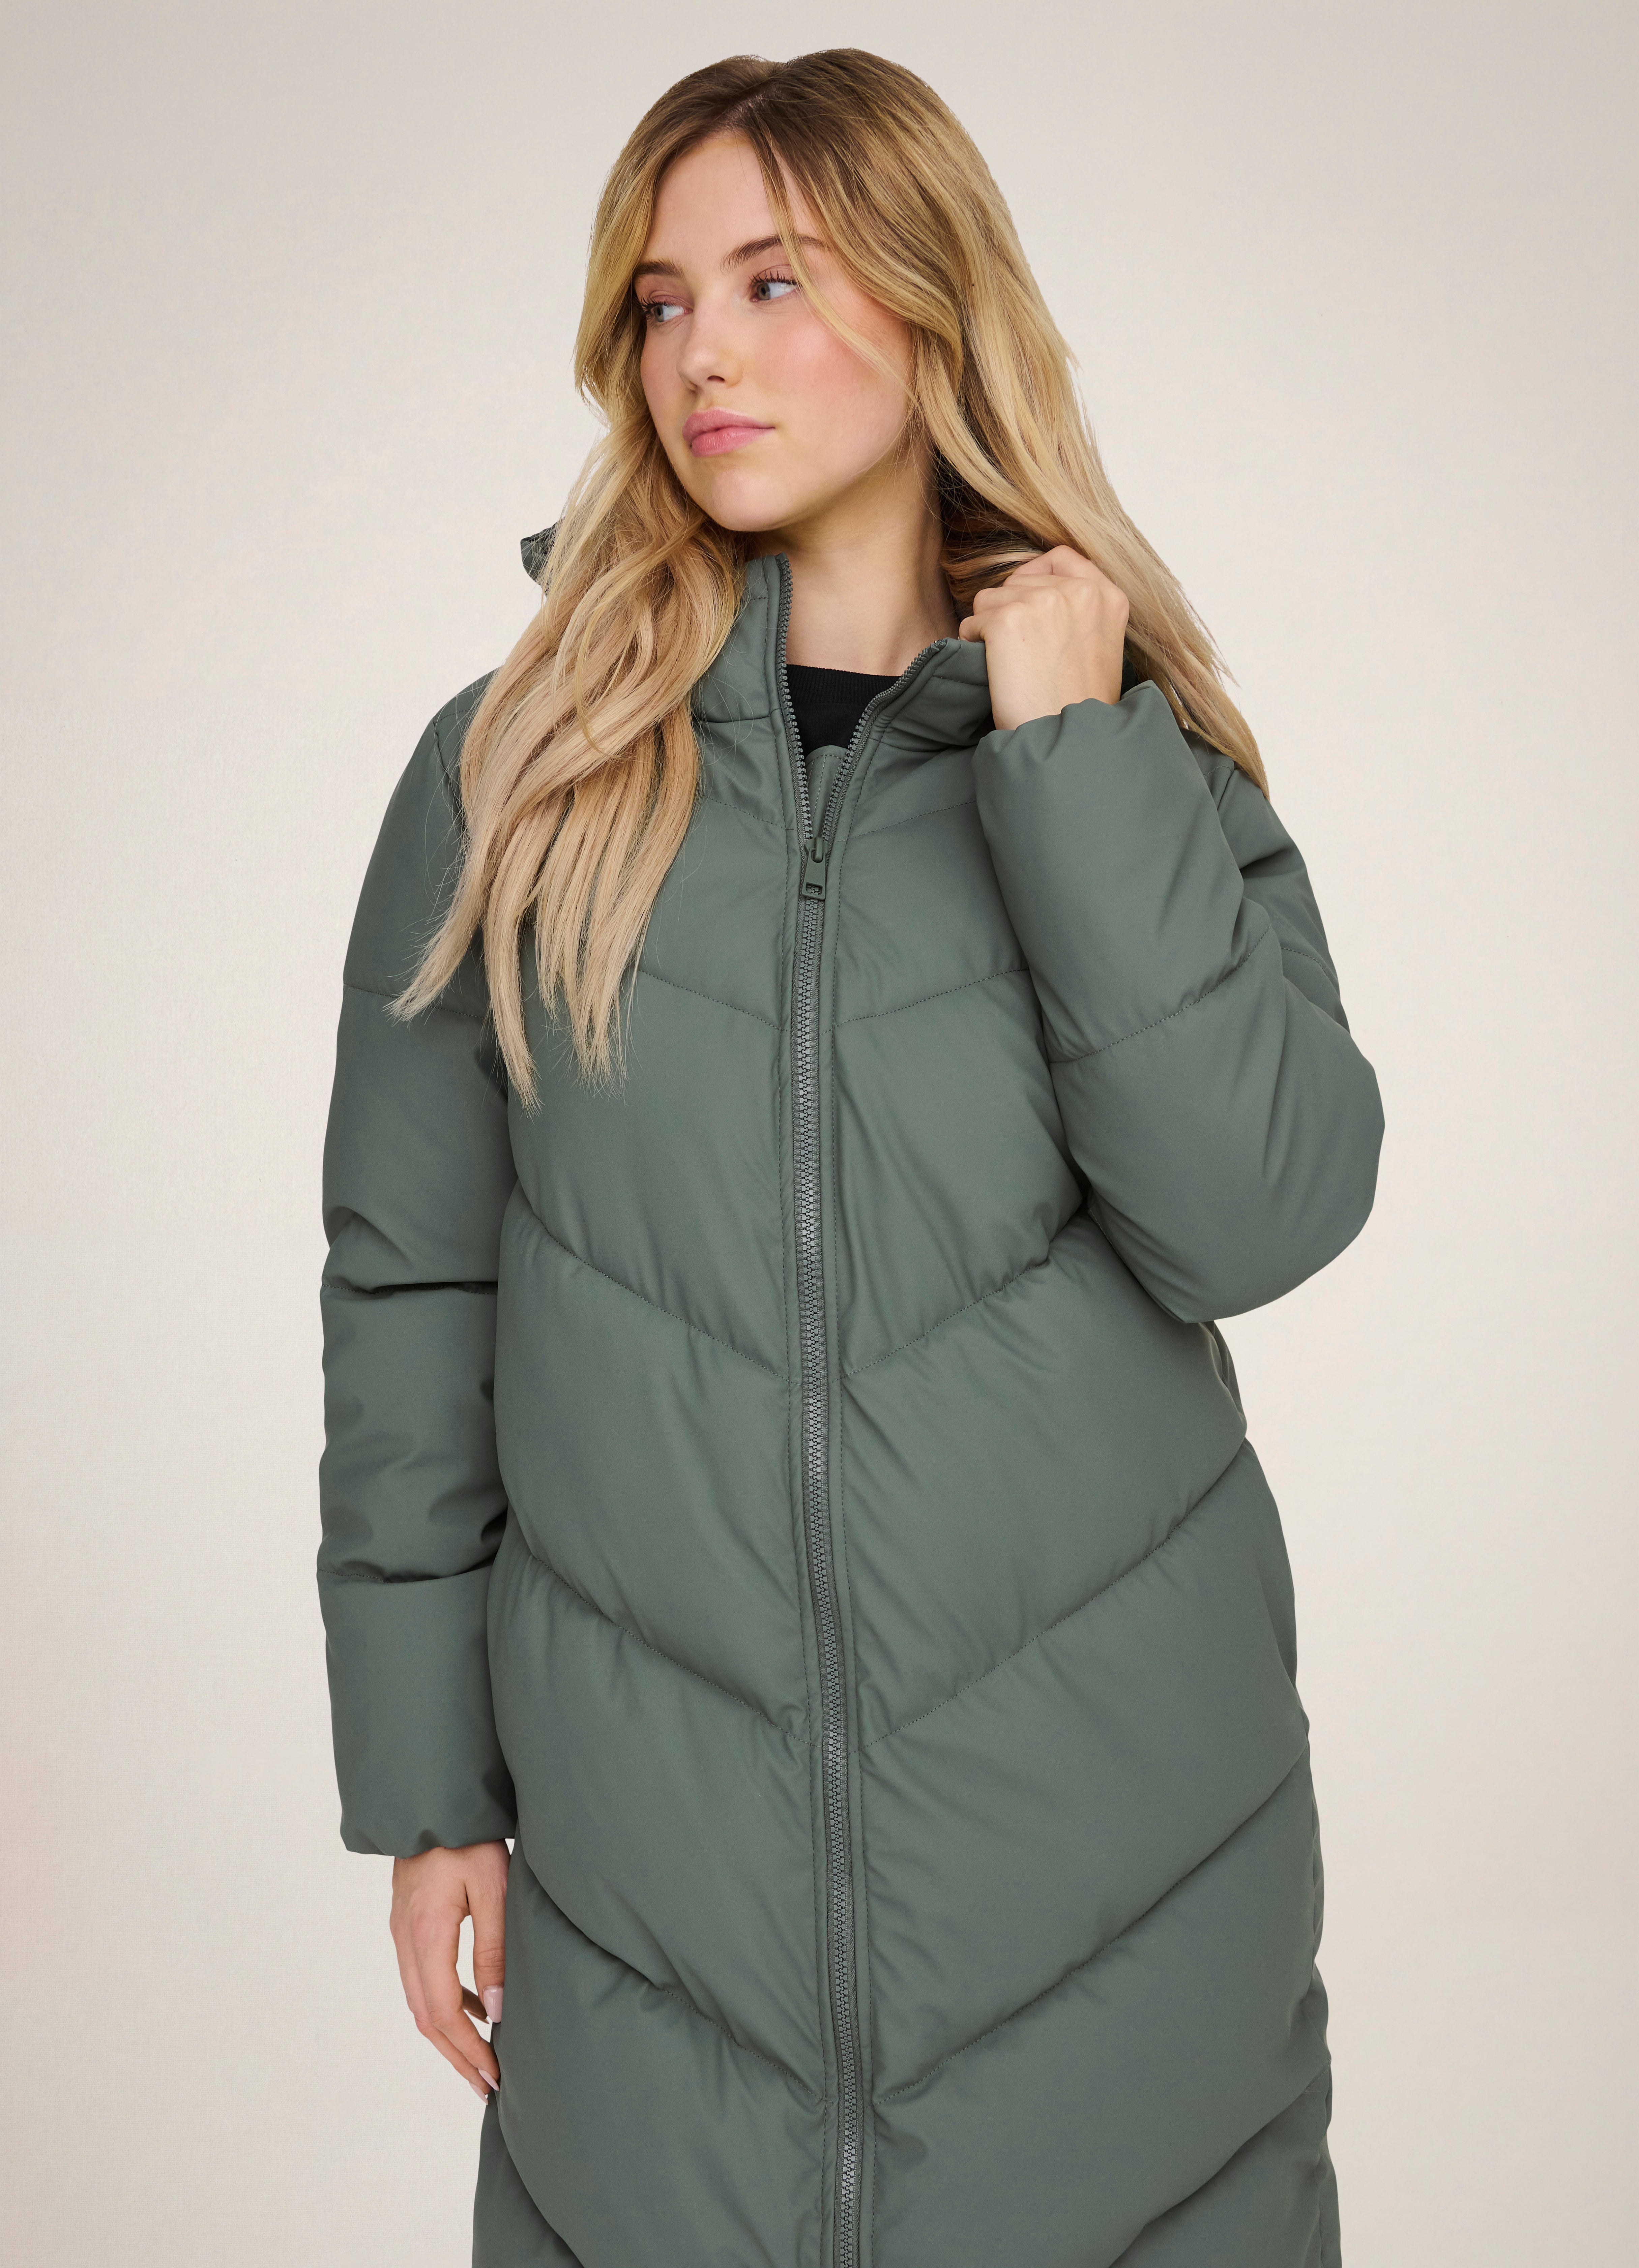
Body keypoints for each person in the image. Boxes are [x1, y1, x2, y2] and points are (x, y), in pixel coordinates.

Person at [316, 46, 1384, 2268]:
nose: (701, 351)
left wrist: (1066, 755)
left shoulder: (1122, 751)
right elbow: (415, 1299)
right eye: (661, 301)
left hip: (1113, 1875)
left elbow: (1259, 1211)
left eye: (773, 280)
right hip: (658, 1895)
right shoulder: (519, 774)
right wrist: (428, 1794)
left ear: (927, 296)